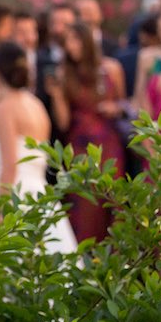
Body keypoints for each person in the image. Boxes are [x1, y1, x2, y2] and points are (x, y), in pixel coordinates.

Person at [0, 42, 77, 252]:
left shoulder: (6, 108)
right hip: (40, 193)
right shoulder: (35, 104)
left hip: (14, 193)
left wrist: (0, 213)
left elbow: (10, 166)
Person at [46, 22, 126, 242]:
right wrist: (56, 96)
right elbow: (63, 123)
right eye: (68, 41)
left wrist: (115, 108)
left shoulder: (111, 69)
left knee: (112, 200)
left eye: (76, 40)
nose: (71, 46)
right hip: (79, 146)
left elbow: (124, 104)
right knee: (84, 206)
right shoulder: (64, 73)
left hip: (109, 144)